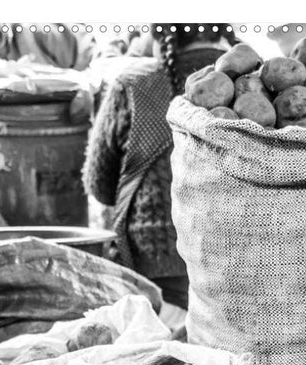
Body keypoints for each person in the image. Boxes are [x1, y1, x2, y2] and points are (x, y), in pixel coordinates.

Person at [82, 24, 235, 309]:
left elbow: (99, 187)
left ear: (157, 33)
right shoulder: (255, 84)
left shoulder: (133, 84)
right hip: (239, 260)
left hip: (155, 265)